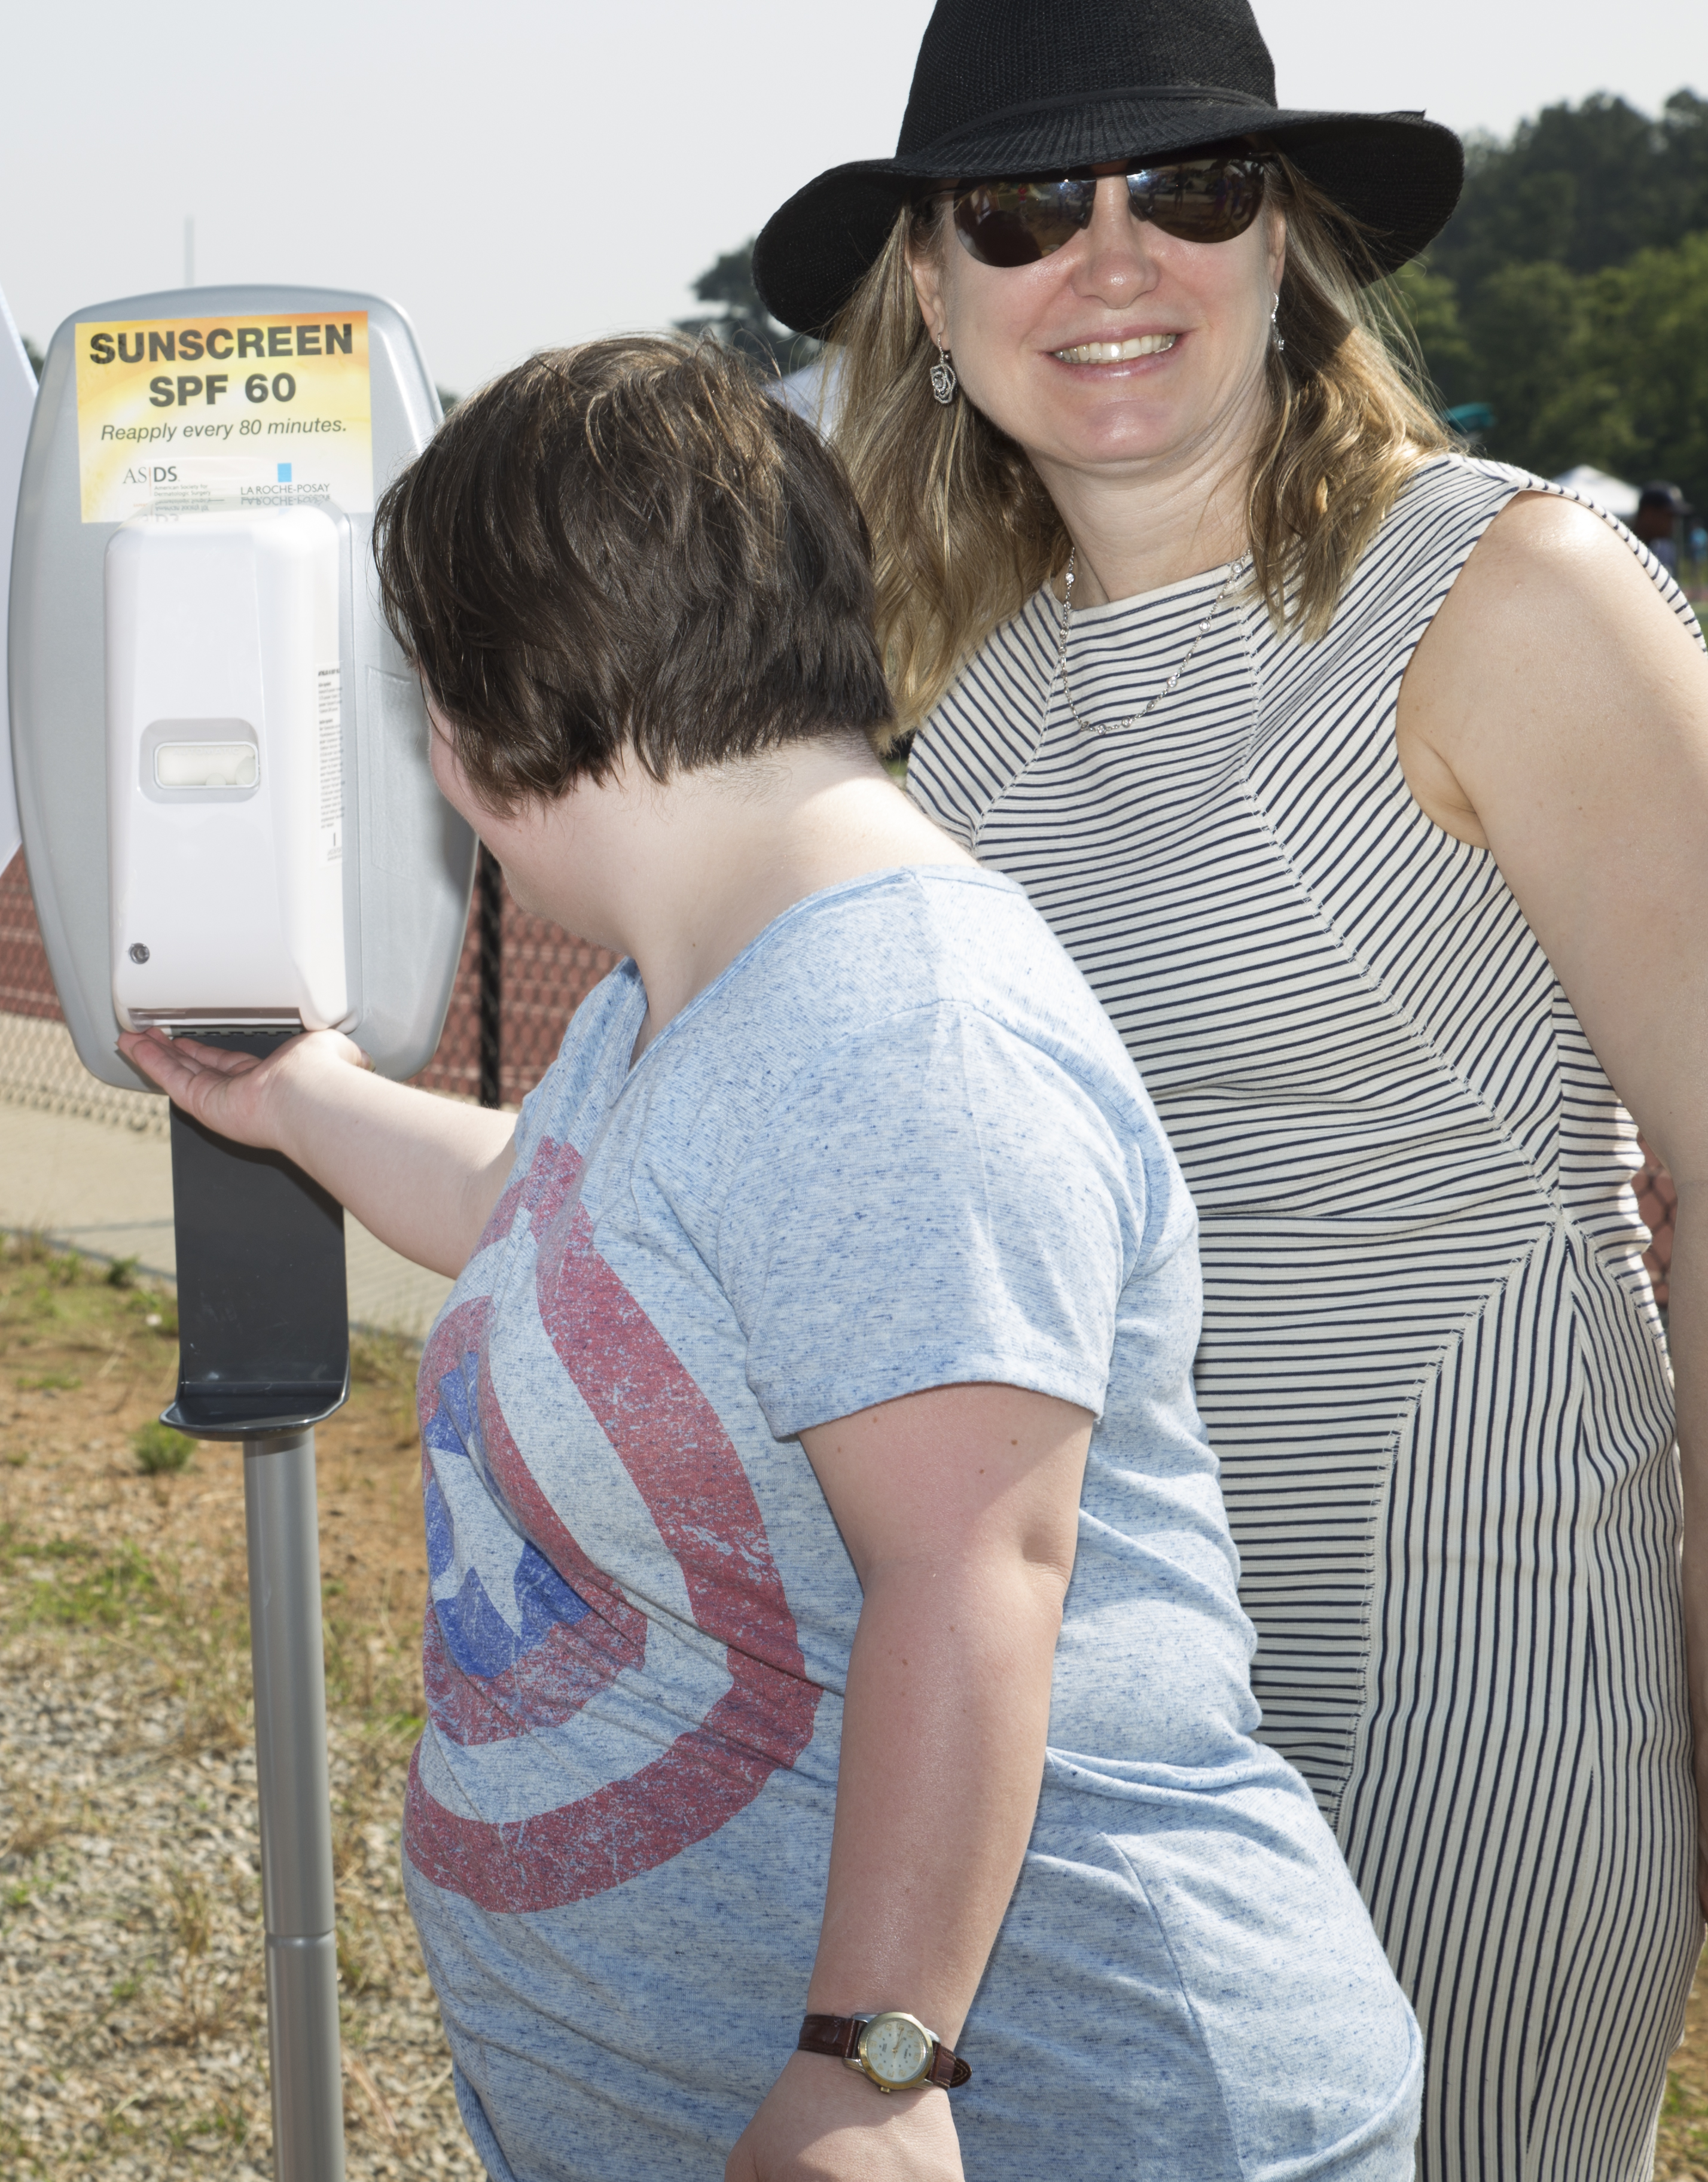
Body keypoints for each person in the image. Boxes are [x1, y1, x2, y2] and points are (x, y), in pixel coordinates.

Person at [124, 334, 1420, 2181]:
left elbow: (975, 1566)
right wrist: (304, 1102)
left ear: (492, 710)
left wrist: (872, 2065)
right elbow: (578, 1236)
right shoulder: (711, 978)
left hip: (1085, 2108)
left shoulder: (898, 1033)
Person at [749, 0, 1708, 2169]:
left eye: (1182, 189)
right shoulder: (954, 715)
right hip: (1107, 1739)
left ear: (1281, 245)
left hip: (1484, 1691)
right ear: (927, 287)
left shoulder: (1511, 594)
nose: (1107, 262)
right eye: (1020, 211)